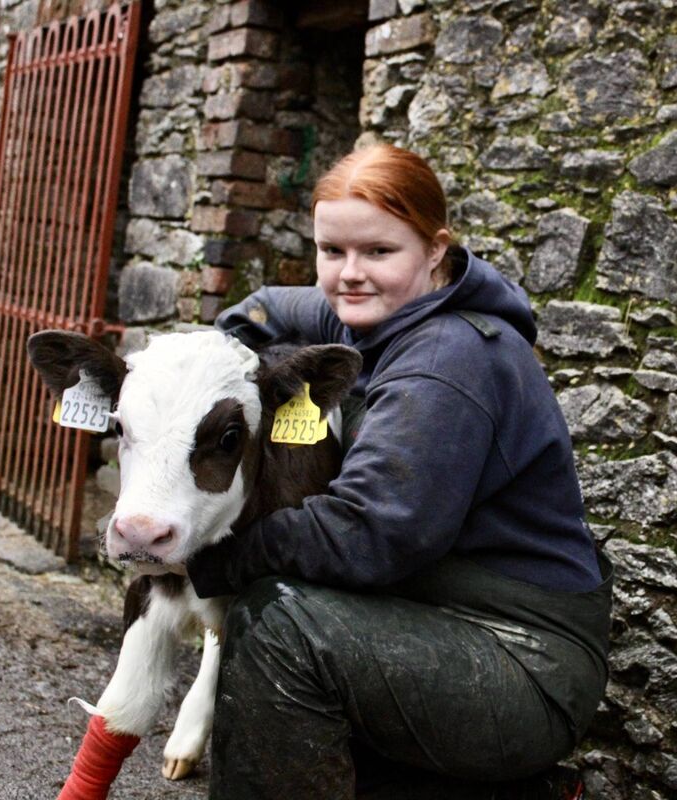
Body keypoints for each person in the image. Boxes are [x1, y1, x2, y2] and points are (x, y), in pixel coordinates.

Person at [186, 143, 612, 799]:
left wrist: (217, 558)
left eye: (380, 252)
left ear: (435, 251)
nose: (350, 274)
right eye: (333, 252)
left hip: (519, 662)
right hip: (431, 624)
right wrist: (211, 368)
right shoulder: (370, 312)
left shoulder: (450, 358)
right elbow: (265, 308)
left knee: (283, 626)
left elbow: (368, 535)